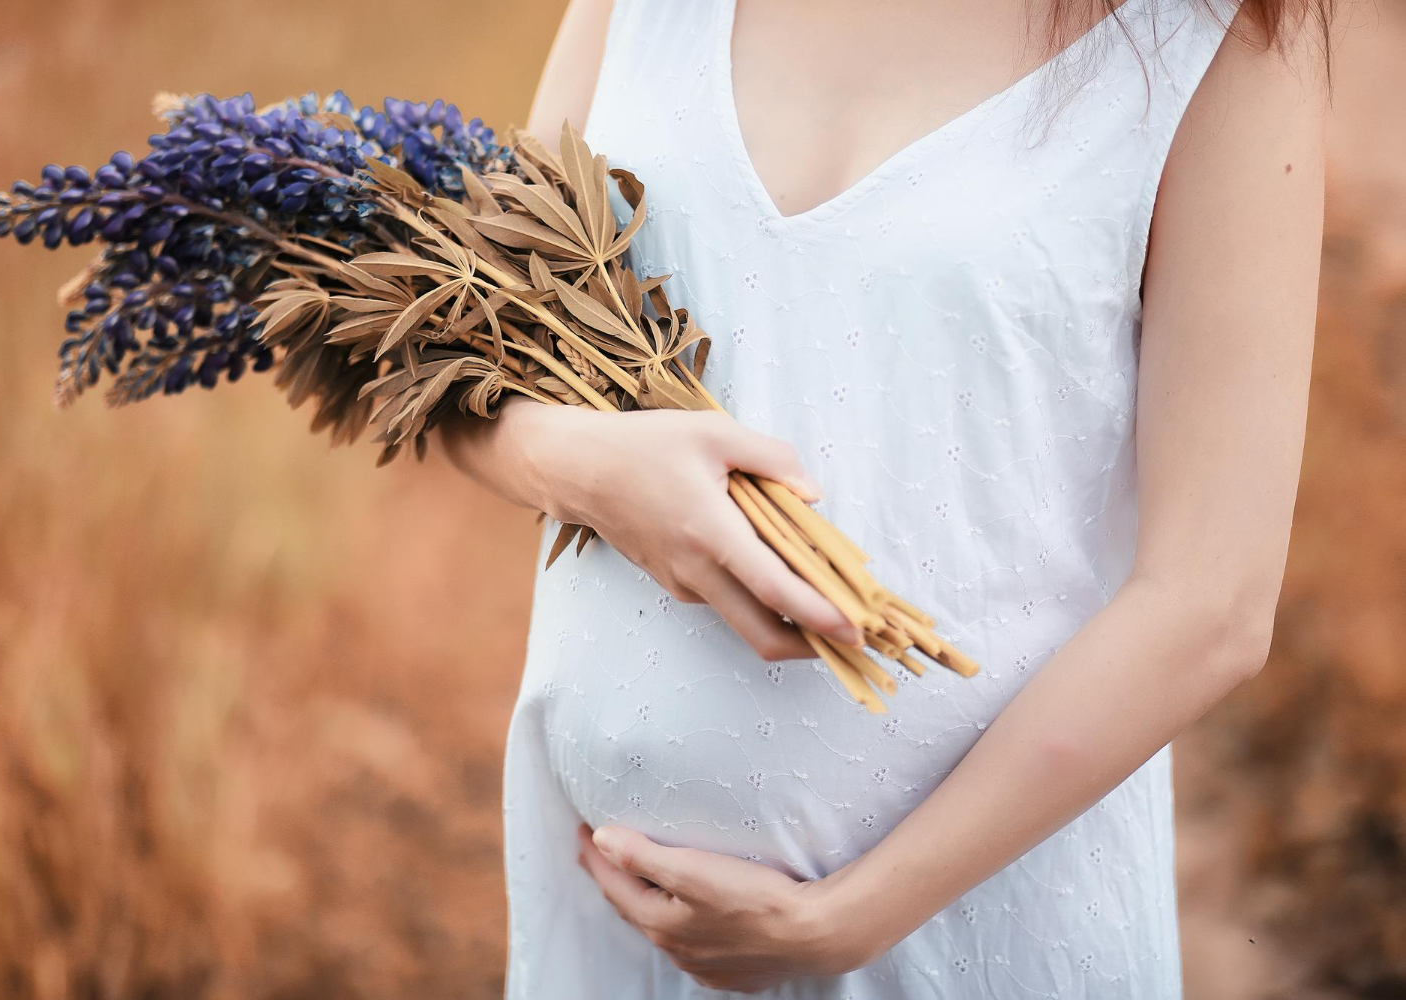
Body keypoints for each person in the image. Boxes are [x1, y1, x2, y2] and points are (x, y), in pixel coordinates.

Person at [441, 0, 1328, 995]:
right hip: (615, 933)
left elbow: (1211, 602)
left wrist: (846, 920)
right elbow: (461, 357)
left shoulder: (1213, 47)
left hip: (972, 932)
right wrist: (598, 474)